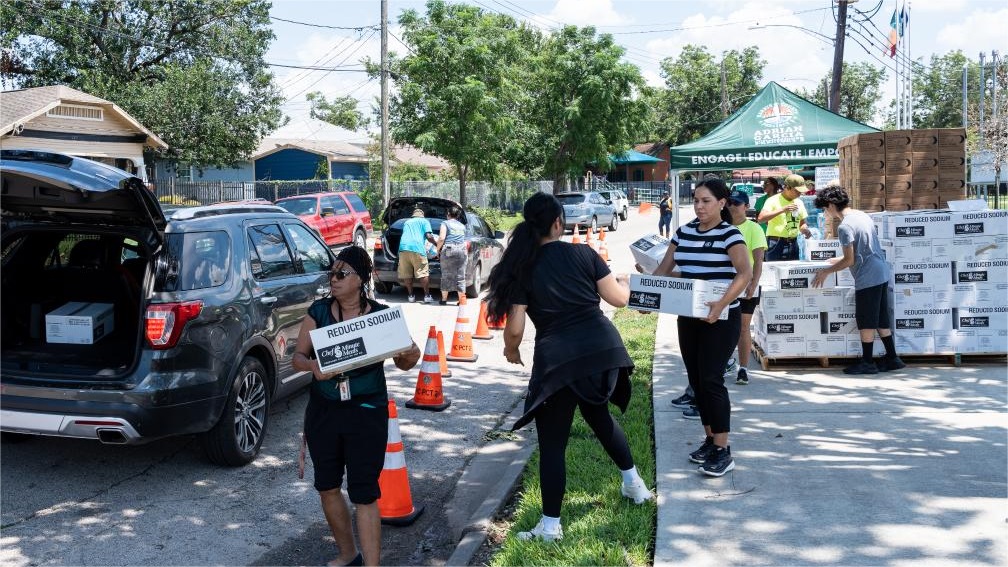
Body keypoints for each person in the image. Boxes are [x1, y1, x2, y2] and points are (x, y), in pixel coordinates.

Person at [486, 192, 653, 542]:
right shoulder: (584, 253)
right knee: (600, 419)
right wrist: (624, 280)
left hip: (559, 361)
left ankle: (550, 528)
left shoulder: (523, 267)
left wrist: (510, 350)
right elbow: (619, 300)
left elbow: (514, 329)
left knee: (552, 444)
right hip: (603, 350)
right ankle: (635, 486)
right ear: (558, 223)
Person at [292, 246, 422, 566]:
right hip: (324, 410)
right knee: (327, 485)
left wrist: (407, 352)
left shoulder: (380, 317)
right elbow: (297, 357)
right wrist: (313, 368)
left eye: (341, 273)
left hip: (366, 410)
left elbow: (407, 361)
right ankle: (348, 553)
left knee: (364, 492)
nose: (333, 279)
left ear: (360, 279)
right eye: (331, 273)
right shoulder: (319, 311)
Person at [650, 178, 751, 477]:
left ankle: (723, 449)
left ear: (722, 203)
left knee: (711, 379)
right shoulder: (683, 233)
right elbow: (667, 270)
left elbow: (744, 274)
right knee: (697, 380)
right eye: (695, 200)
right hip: (689, 317)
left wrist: (720, 304)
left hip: (721, 319)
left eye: (706, 200)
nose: (699, 206)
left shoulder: (730, 234)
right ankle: (710, 438)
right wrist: (645, 293)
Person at [811, 185, 905, 375]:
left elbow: (850, 260)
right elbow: (863, 248)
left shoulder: (845, 226)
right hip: (881, 271)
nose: (825, 213)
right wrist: (838, 259)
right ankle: (893, 358)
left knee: (866, 320)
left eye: (824, 209)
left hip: (868, 276)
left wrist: (826, 272)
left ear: (830, 205)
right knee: (880, 318)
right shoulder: (861, 215)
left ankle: (867, 362)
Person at [726, 189, 767, 385]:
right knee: (721, 327)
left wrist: (753, 283)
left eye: (737, 203)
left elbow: (759, 260)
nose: (732, 206)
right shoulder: (721, 227)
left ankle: (743, 368)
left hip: (745, 285)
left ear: (746, 207)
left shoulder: (754, 229)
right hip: (724, 284)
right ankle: (724, 362)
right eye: (729, 202)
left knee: (742, 328)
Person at [758, 173, 813, 261]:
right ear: (787, 187)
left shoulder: (799, 202)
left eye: (801, 191)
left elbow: (802, 223)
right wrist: (782, 209)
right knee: (773, 272)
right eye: (797, 191)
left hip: (793, 242)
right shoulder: (772, 200)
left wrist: (805, 229)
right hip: (775, 242)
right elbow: (760, 219)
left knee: (792, 273)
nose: (799, 194)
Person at [397, 208, 438, 303]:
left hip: (403, 248)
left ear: (413, 215)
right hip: (417, 248)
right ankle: (427, 296)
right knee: (423, 272)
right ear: (422, 216)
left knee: (406, 273)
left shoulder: (407, 222)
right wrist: (437, 245)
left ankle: (411, 296)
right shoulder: (424, 221)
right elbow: (429, 236)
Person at [436, 206, 467, 305]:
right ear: (457, 215)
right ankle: (461, 300)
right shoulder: (462, 226)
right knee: (461, 276)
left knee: (446, 274)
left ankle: (444, 300)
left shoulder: (445, 223)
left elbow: (441, 238)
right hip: (462, 250)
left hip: (449, 249)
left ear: (448, 214)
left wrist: (437, 250)